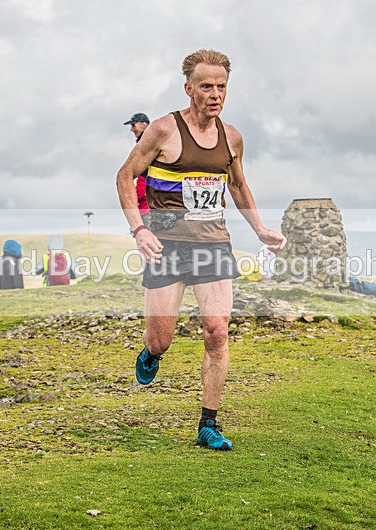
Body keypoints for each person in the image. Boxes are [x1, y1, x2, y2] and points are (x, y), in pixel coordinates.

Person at [115, 49, 286, 451]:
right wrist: (139, 230)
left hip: (213, 245)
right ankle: (151, 352)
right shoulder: (163, 130)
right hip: (167, 246)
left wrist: (259, 228)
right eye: (206, 86)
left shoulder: (232, 137)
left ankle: (208, 423)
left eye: (221, 86)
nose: (215, 94)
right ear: (188, 88)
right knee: (162, 340)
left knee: (217, 331)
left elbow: (237, 185)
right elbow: (124, 175)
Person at [124, 113, 152, 227]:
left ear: (144, 124)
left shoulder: (148, 143)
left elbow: (145, 175)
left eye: (133, 125)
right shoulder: (146, 142)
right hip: (147, 205)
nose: (131, 129)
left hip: (147, 206)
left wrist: (135, 199)